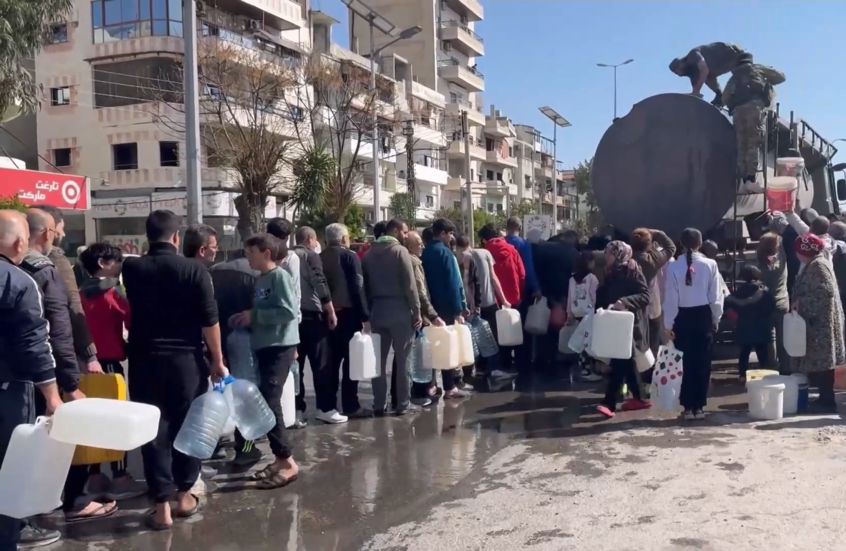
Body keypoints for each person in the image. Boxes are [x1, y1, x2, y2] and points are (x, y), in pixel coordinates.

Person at [121, 210, 226, 530]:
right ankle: (184, 495)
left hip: (144, 361)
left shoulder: (132, 267)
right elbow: (210, 319)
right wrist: (217, 359)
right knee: (186, 427)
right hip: (186, 362)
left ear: (147, 237)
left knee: (153, 431)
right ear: (176, 237)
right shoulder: (194, 269)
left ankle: (160, 505)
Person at [0, 211, 64, 550]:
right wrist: (53, 397)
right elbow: (35, 345)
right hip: (8, 392)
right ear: (19, 242)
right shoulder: (18, 281)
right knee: (9, 478)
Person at [235, 233, 299, 488]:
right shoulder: (262, 279)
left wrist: (255, 316)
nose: (247, 257)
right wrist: (246, 319)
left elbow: (288, 311)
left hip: (279, 347)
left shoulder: (279, 276)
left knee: (271, 402)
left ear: (267, 253)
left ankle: (287, 461)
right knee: (267, 401)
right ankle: (279, 457)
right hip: (265, 345)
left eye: (251, 252)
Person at [663, 228, 724, 420]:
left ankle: (688, 407)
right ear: (700, 243)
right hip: (703, 315)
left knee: (685, 362)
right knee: (703, 362)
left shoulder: (673, 267)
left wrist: (668, 324)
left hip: (682, 317)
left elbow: (671, 298)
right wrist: (716, 318)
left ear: (681, 243)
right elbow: (716, 297)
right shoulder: (710, 264)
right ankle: (700, 406)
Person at [362, 218, 421, 415]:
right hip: (400, 310)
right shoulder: (400, 252)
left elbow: (365, 287)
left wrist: (368, 313)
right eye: (405, 232)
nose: (406, 236)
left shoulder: (369, 254)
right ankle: (403, 404)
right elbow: (410, 286)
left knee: (378, 361)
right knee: (403, 359)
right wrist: (417, 311)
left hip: (378, 310)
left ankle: (379, 404)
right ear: (395, 232)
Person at [35, 205, 101, 380]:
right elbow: (73, 307)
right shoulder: (56, 259)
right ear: (50, 231)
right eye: (61, 229)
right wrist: (90, 355)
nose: (63, 235)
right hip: (55, 355)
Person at [595, 241, 652, 418]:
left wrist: (626, 302)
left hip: (631, 324)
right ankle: (640, 397)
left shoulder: (633, 270)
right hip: (614, 323)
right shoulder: (610, 271)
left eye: (609, 253)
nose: (606, 256)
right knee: (627, 361)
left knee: (620, 361)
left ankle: (609, 403)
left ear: (618, 253)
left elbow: (645, 296)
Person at [320, 223, 372, 418]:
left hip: (327, 316)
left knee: (330, 364)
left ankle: (329, 405)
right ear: (343, 239)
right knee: (351, 363)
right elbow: (358, 286)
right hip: (348, 316)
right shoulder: (349, 256)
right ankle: (351, 404)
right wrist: (365, 315)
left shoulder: (320, 257)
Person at [291, 226, 341, 424]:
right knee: (321, 364)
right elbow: (319, 281)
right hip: (312, 315)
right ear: (310, 239)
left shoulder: (286, 255)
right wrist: (329, 308)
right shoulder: (309, 256)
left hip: (293, 319)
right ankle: (325, 407)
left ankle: (297, 410)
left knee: (297, 366)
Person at [790, 233, 845, 413]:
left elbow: (825, 293)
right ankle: (825, 398)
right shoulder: (815, 264)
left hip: (822, 324)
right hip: (817, 322)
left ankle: (827, 401)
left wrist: (802, 303)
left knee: (823, 363)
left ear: (804, 251)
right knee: (821, 363)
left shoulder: (818, 266)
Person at [421, 218, 471, 397]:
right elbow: (453, 283)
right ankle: (450, 386)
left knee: (430, 348)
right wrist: (459, 308)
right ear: (442, 234)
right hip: (446, 307)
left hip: (429, 308)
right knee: (447, 347)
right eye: (450, 233)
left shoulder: (425, 252)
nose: (452, 237)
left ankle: (430, 385)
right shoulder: (446, 253)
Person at [722, 53, 784, 192]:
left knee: (741, 144)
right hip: (754, 108)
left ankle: (742, 181)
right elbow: (781, 77)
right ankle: (751, 179)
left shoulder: (733, 77)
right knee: (753, 143)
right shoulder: (757, 69)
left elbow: (725, 97)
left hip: (738, 112)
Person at [456, 234, 509, 378]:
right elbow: (493, 278)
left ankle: (476, 369)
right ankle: (494, 369)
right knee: (491, 337)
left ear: (458, 247)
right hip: (489, 301)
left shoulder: (460, 258)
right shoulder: (485, 253)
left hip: (470, 305)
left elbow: (464, 284)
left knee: (472, 339)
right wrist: (503, 300)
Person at [406, 231, 445, 404]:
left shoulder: (410, 260)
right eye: (419, 243)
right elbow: (420, 293)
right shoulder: (414, 263)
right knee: (420, 355)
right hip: (418, 315)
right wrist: (432, 315)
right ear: (409, 246)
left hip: (412, 313)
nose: (422, 246)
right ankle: (421, 391)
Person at [631, 228, 677, 364]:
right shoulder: (653, 260)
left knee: (636, 346)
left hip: (635, 308)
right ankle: (651, 376)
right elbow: (671, 247)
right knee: (653, 346)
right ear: (649, 243)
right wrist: (658, 233)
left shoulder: (628, 258)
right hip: (652, 308)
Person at [726, 264, 776, 382]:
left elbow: (729, 304)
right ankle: (765, 374)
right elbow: (771, 306)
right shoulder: (764, 290)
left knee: (744, 352)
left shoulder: (739, 291)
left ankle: (743, 375)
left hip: (744, 326)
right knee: (762, 353)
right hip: (761, 327)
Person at [669, 42, 748, 106]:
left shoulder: (692, 55)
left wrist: (696, 91)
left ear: (681, 64)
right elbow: (696, 93)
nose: (679, 74)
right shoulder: (692, 73)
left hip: (731, 54)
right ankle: (719, 95)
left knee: (743, 85)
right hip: (722, 64)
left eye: (677, 71)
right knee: (706, 77)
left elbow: (704, 70)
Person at [755, 232, 790, 373]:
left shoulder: (760, 265)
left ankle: (772, 366)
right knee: (783, 338)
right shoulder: (782, 259)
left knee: (771, 338)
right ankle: (786, 367)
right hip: (783, 303)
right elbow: (780, 244)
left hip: (766, 305)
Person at [567, 251, 601, 382]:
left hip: (577, 312)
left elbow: (570, 297)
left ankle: (583, 367)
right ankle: (590, 370)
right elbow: (594, 296)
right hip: (589, 313)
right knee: (588, 341)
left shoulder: (572, 279)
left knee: (580, 340)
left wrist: (569, 313)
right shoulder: (592, 278)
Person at [504, 216, 539, 302]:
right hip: (520, 289)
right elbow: (528, 268)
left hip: (502, 289)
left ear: (507, 227)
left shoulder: (501, 242)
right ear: (520, 228)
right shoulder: (524, 244)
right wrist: (536, 288)